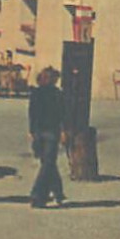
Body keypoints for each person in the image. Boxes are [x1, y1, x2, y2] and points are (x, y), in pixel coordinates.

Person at [28, 66, 67, 208]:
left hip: (38, 132)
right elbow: (62, 115)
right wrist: (63, 131)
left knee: (48, 163)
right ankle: (37, 194)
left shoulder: (35, 93)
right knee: (48, 164)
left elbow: (32, 114)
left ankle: (58, 192)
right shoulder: (57, 94)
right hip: (51, 132)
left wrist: (31, 131)